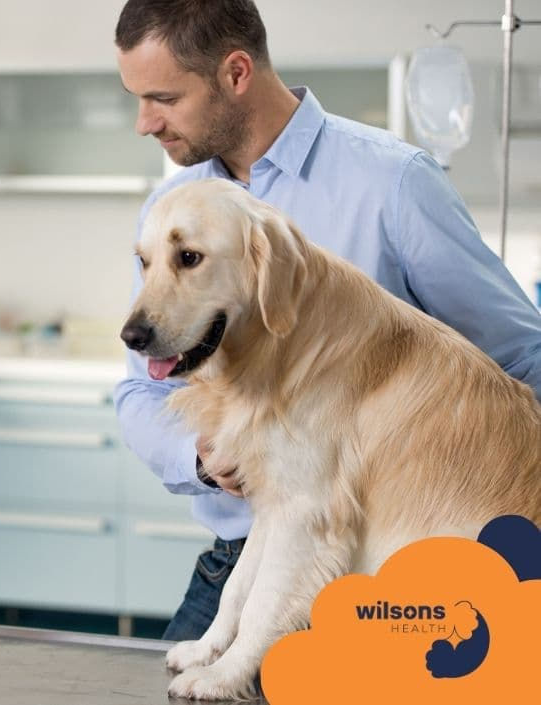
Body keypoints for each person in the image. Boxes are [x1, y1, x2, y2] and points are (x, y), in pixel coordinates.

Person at [113, 0, 541, 643]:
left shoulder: (392, 182)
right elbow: (141, 389)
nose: (145, 123)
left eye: (164, 98)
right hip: (242, 561)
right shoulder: (171, 209)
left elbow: (522, 358)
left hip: (391, 574)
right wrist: (199, 460)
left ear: (236, 74)